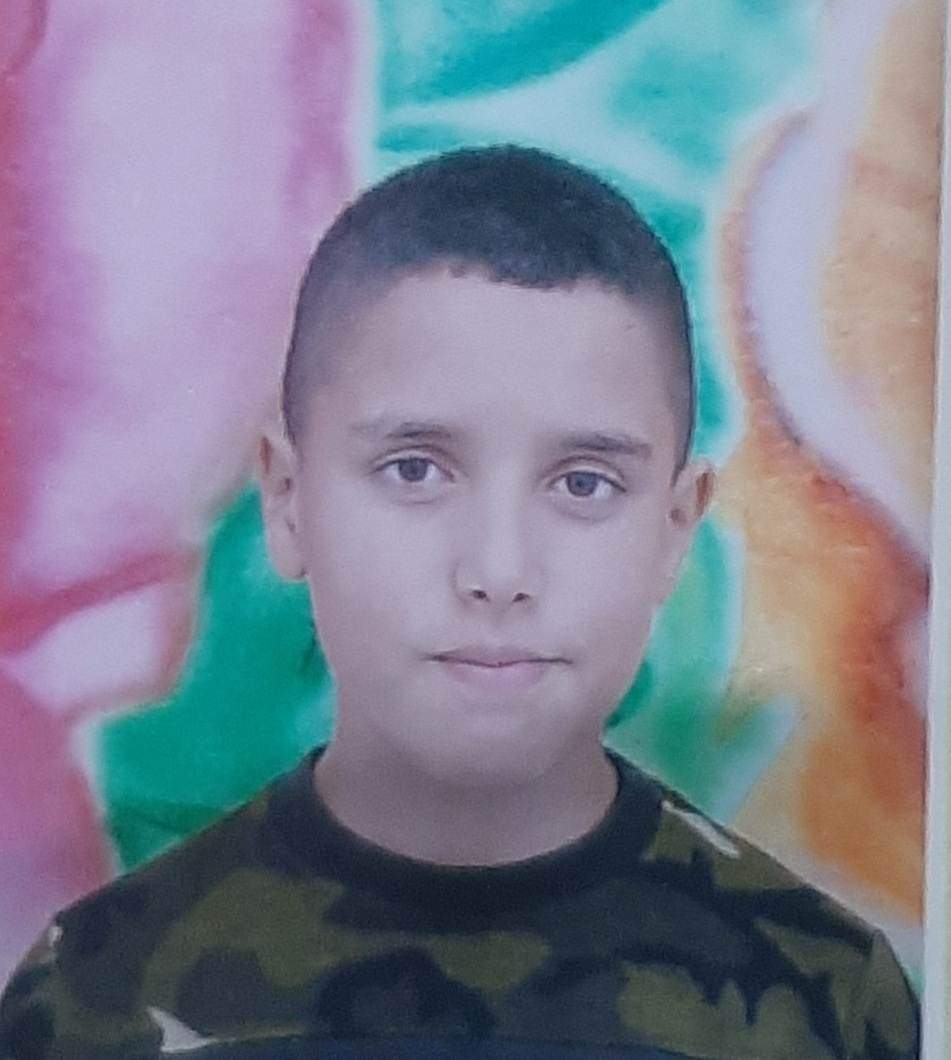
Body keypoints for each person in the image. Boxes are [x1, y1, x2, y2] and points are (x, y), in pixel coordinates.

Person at [0, 145, 919, 1059]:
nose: (498, 568)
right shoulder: (93, 1003)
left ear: (674, 531)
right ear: (287, 499)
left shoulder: (824, 1001)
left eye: (584, 483)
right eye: (415, 470)